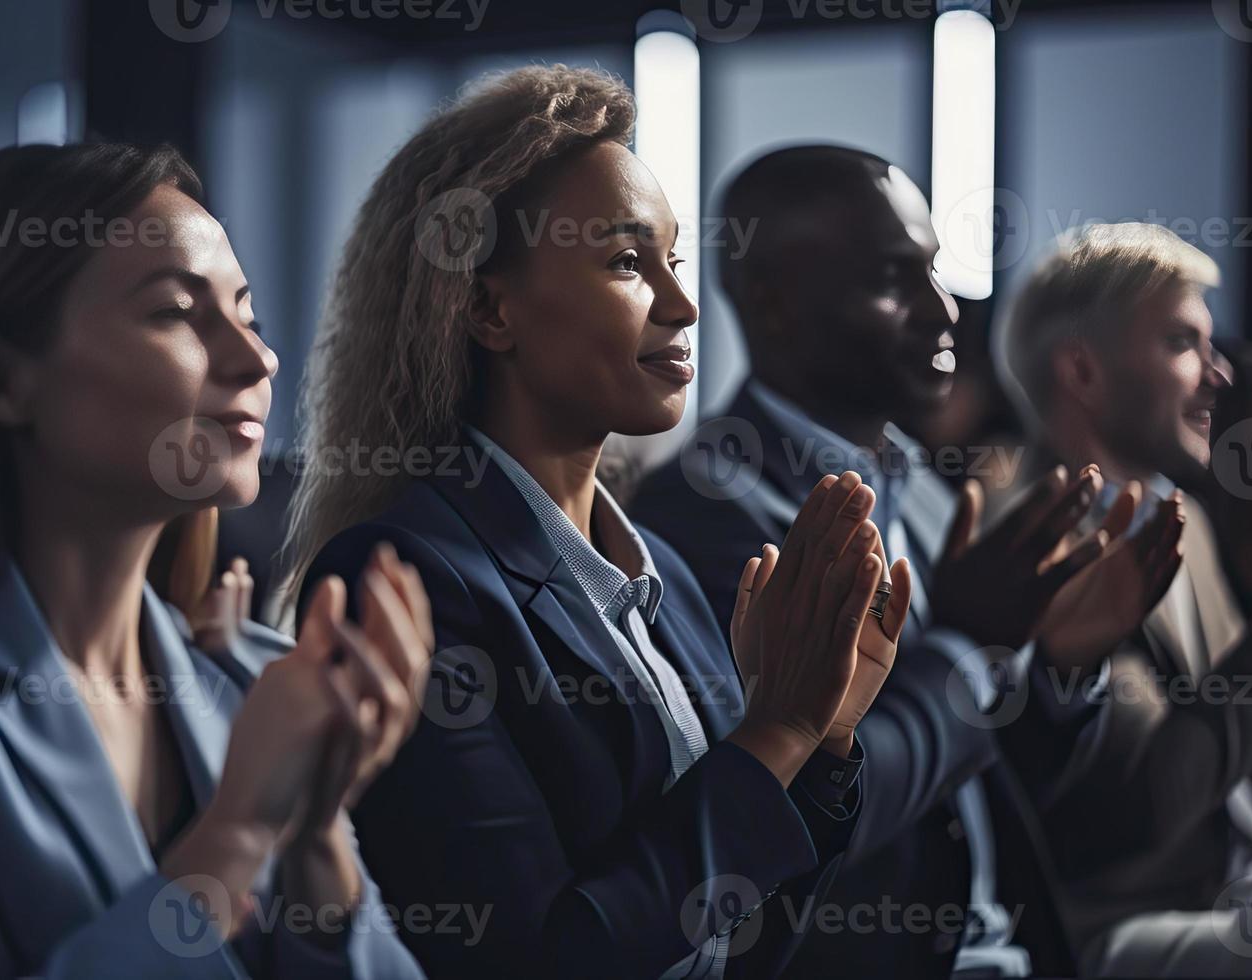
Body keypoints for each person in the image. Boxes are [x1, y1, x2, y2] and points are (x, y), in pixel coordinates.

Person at [282, 66, 914, 979]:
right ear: (489, 307)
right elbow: (540, 958)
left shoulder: (663, 578)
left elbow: (738, 941)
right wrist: (773, 731)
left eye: (674, 261)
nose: (684, 306)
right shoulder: (402, 575)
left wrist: (825, 738)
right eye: (626, 262)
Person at [0, 142, 432, 978]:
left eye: (249, 316)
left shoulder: (257, 687)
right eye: (175, 312)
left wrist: (316, 845)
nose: (257, 360)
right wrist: (234, 834)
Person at [630, 146, 1161, 978]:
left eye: (935, 271)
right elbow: (799, 815)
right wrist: (967, 649)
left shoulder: (926, 494)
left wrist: (1057, 664)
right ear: (773, 303)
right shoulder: (700, 522)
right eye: (892, 278)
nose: (943, 310)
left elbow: (990, 781)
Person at [996, 222, 1252, 977]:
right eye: (1182, 343)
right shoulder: (1043, 549)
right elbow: (1146, 808)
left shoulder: (1190, 520)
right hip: (1118, 930)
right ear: (1082, 370)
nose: (1219, 375)